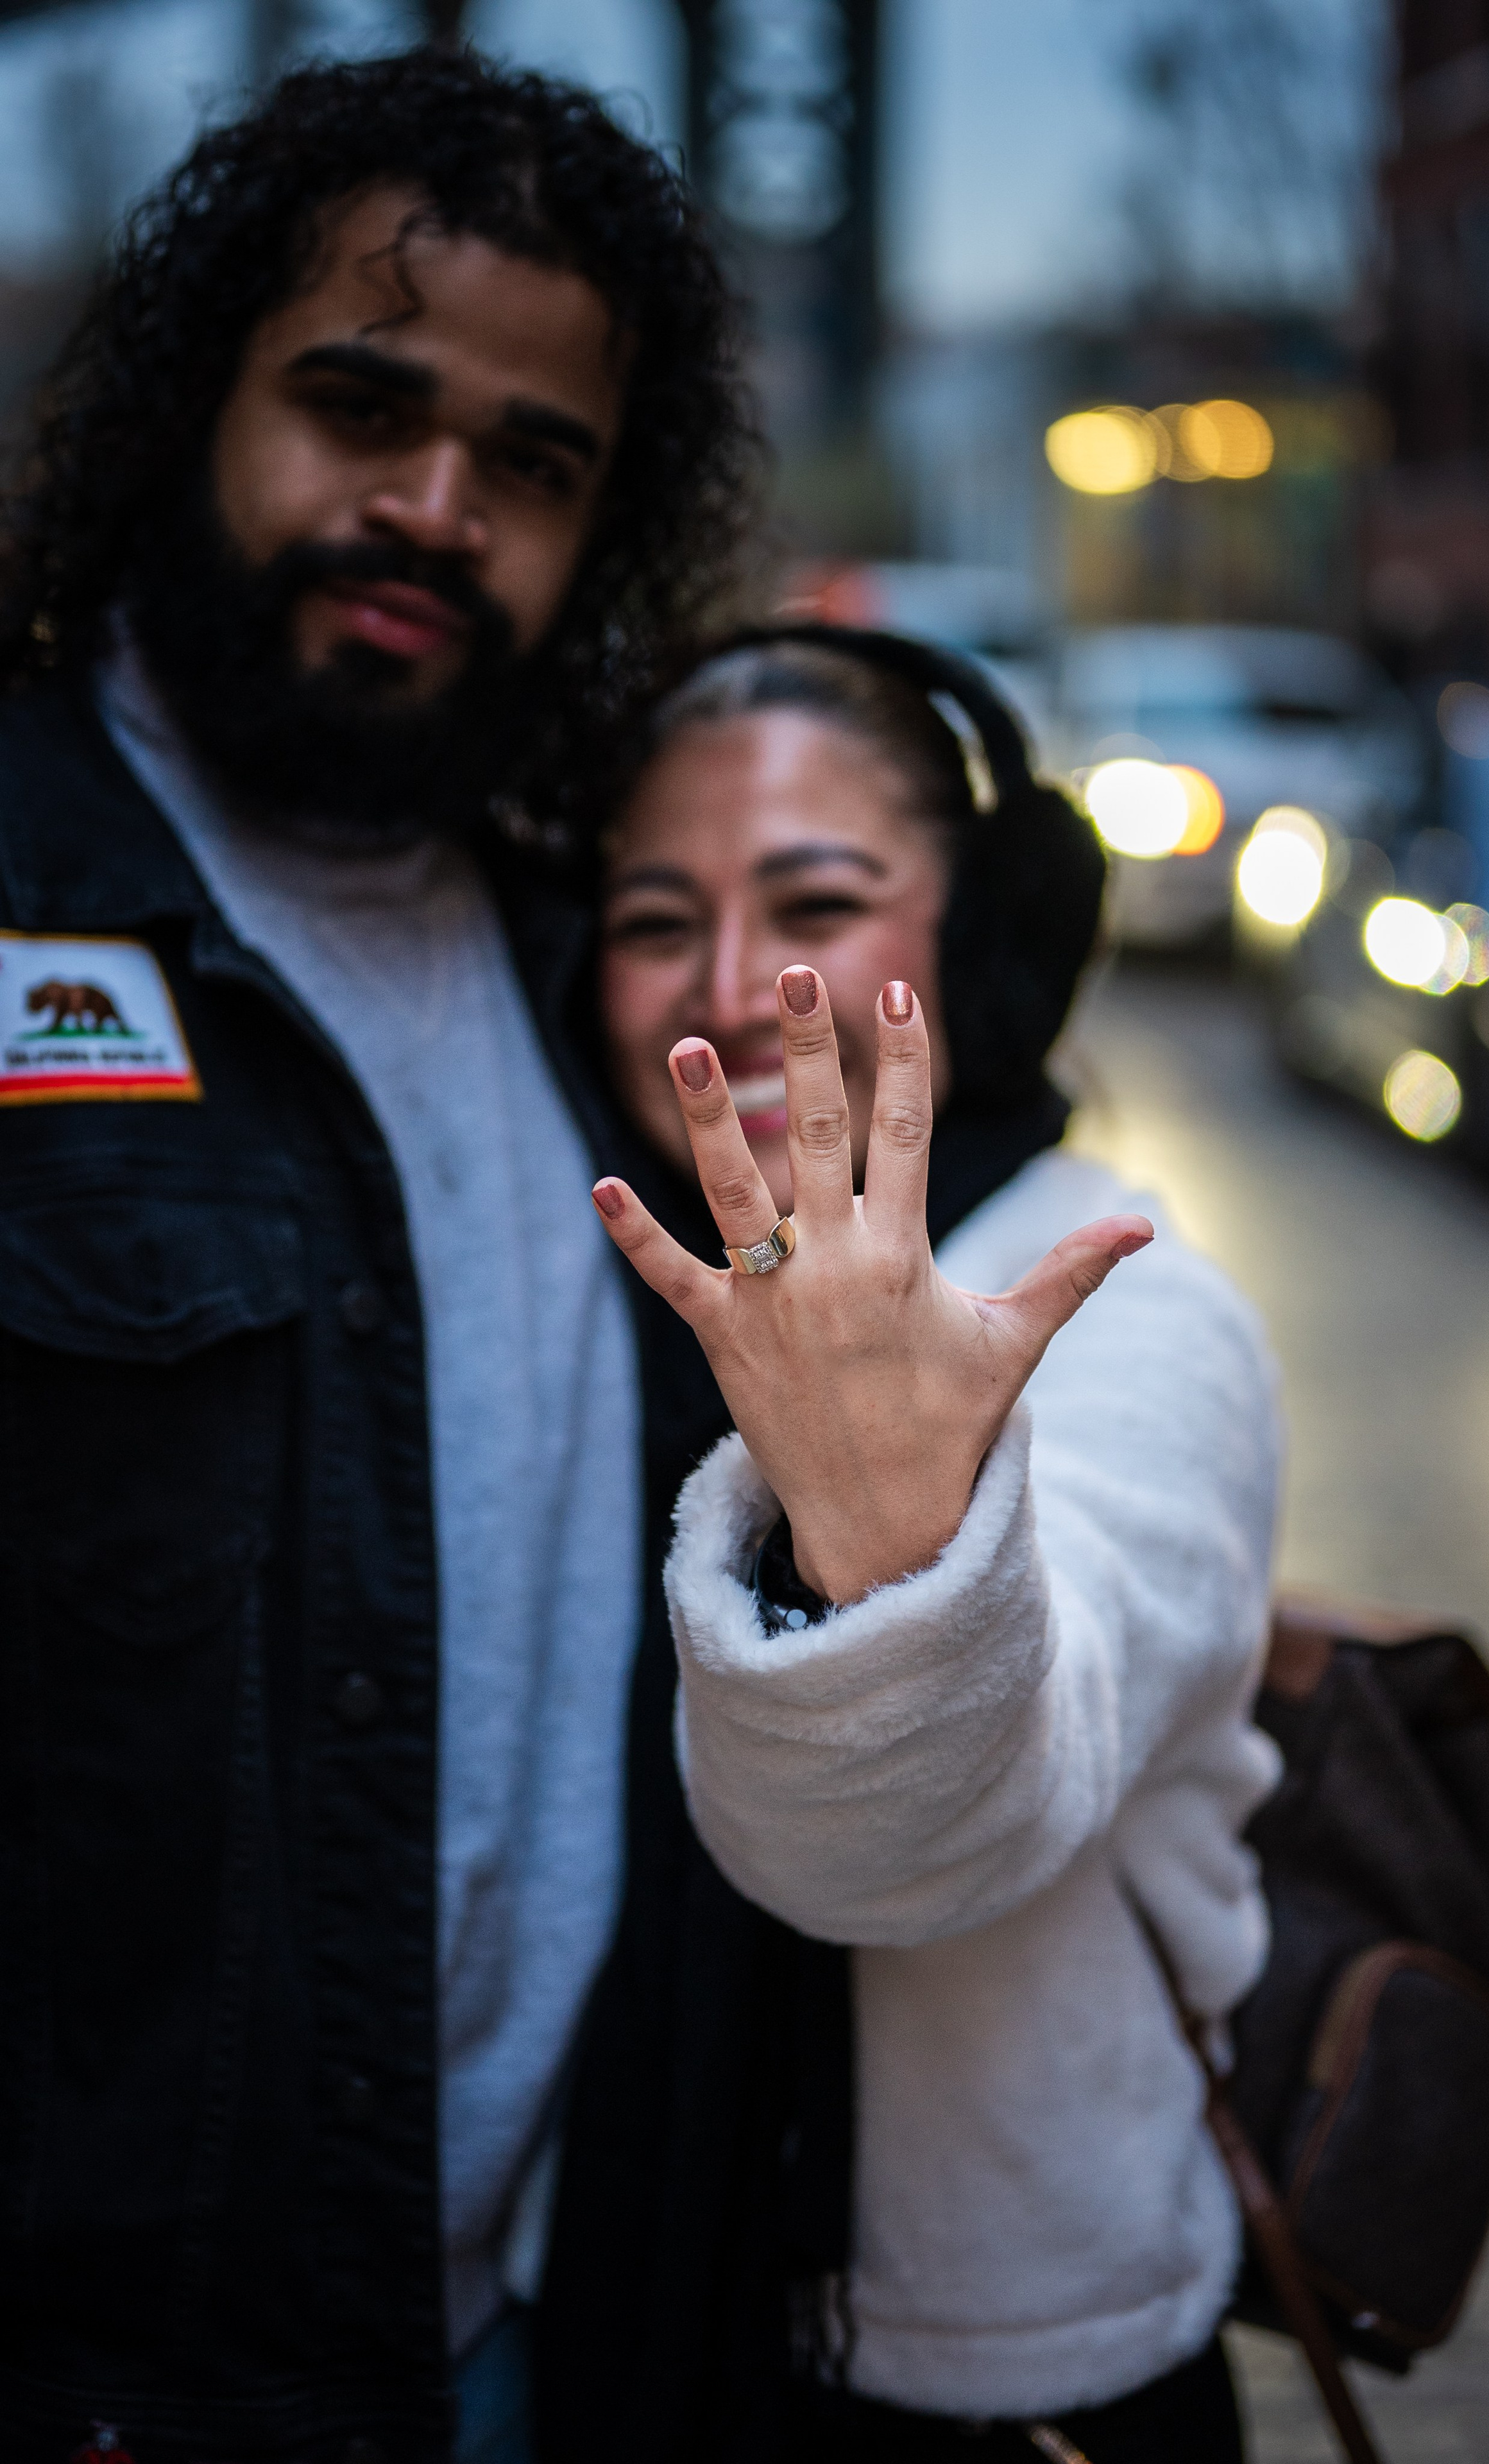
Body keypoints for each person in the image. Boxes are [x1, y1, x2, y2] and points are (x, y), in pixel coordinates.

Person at [0, 49, 756, 2464]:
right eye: (360, 403)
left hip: (548, 2337)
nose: (435, 509)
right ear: (189, 400)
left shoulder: (592, 967)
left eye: (534, 464)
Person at [579, 631, 1283, 2461]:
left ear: (984, 943)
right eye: (658, 918)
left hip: (998, 2396)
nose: (731, 986)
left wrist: (884, 1523)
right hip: (630, 2312)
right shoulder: (606, 1289)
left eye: (816, 896)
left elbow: (919, 1841)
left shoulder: (1129, 1308)